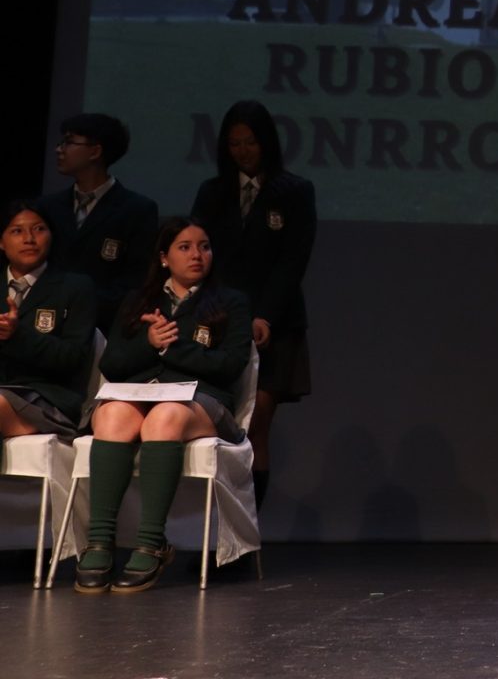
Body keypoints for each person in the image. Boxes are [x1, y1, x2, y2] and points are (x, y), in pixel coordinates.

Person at [77, 217, 251, 594]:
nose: (197, 255)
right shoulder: (139, 301)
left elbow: (230, 365)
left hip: (204, 402)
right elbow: (113, 364)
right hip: (143, 395)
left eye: (204, 246)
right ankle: (100, 540)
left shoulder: (231, 302)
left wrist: (173, 347)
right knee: (111, 414)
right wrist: (149, 343)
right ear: (163, 257)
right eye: (184, 247)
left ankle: (151, 542)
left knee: (165, 415)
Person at [190, 100, 316, 510]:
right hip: (218, 321)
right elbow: (198, 255)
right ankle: (212, 524)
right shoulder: (212, 193)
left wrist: (265, 315)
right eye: (234, 143)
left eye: (250, 142)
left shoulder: (294, 191)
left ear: (267, 143)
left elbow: (292, 262)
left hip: (274, 325)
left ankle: (246, 528)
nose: (243, 151)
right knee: (215, 426)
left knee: (256, 424)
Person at [38, 112, 158, 336]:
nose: (58, 149)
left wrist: (80, 306)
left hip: (103, 328)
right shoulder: (47, 206)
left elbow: (135, 280)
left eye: (68, 142)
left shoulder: (137, 209)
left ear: (95, 151)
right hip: (46, 322)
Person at [0, 202, 97, 444]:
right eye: (17, 231)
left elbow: (72, 358)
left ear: (51, 236)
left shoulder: (75, 287)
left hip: (48, 397)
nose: (29, 239)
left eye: (39, 229)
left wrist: (17, 335)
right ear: (1, 242)